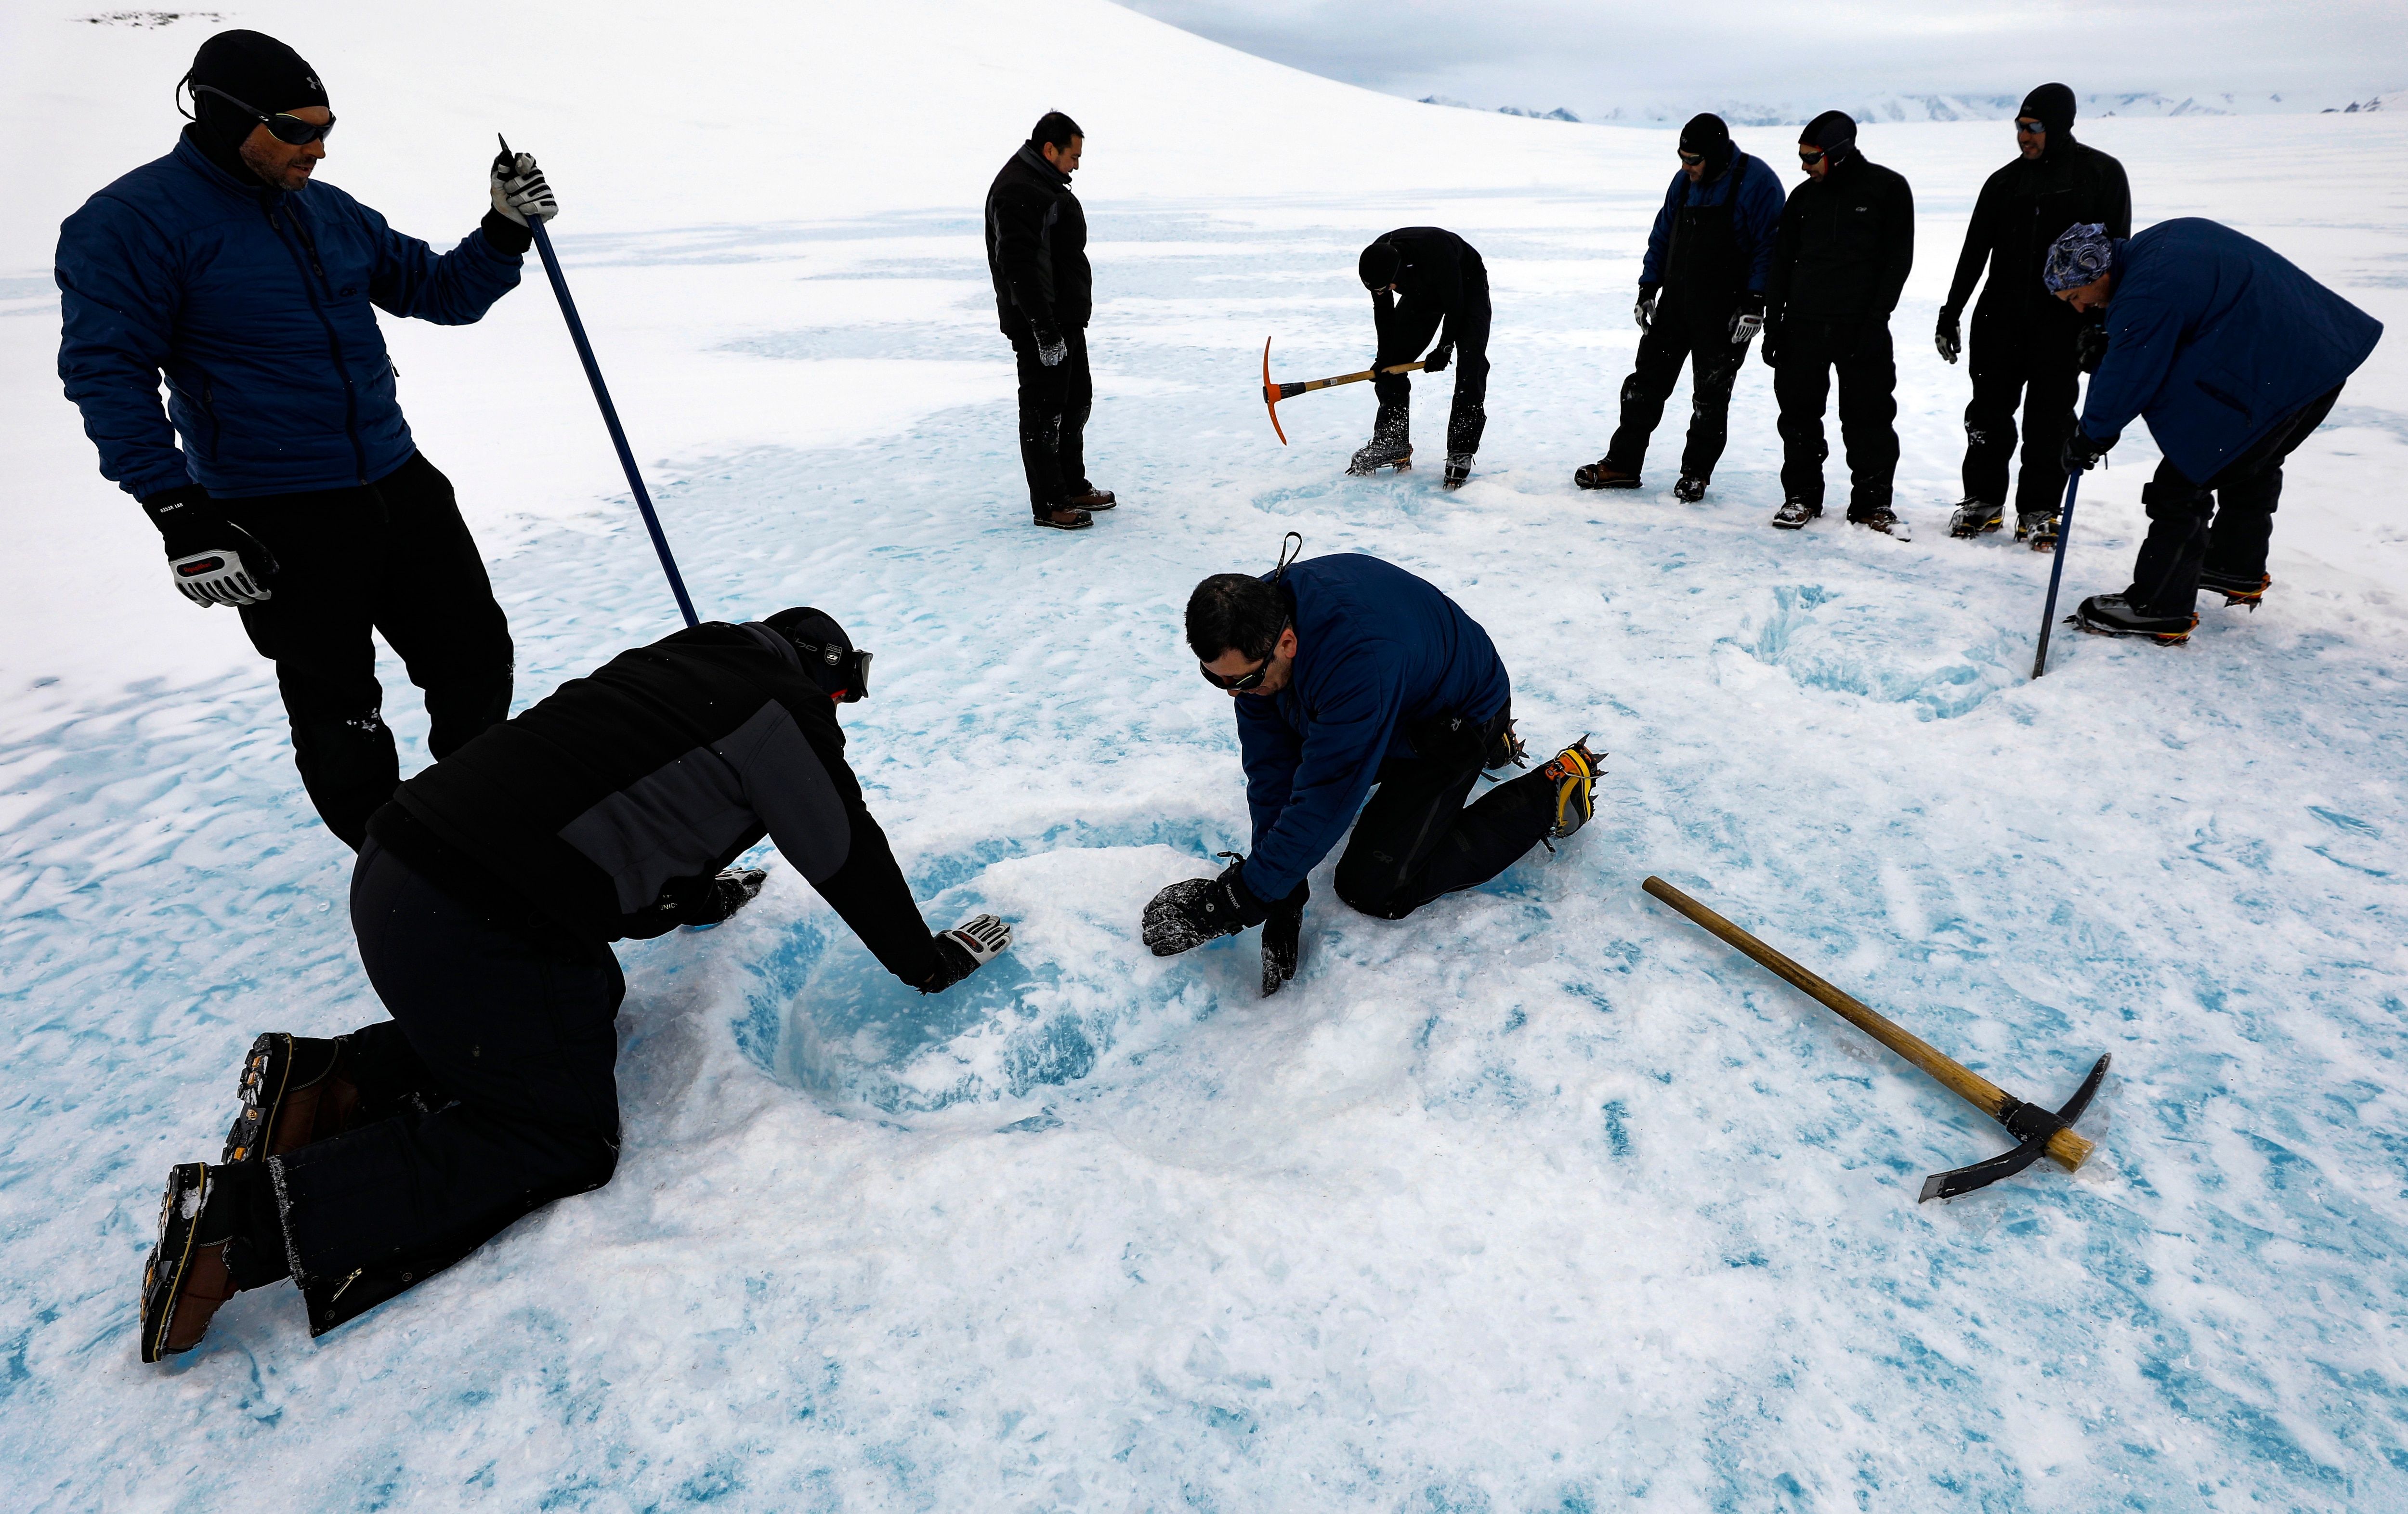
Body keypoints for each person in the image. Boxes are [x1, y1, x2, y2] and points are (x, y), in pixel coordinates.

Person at [137, 610, 1015, 1360]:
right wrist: (925, 960)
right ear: (826, 678)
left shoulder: (686, 660)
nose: (839, 722)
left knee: (585, 999)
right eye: (841, 703)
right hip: (471, 922)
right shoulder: (783, 711)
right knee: (563, 1135)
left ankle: (330, 1082)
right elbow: (842, 849)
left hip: (403, 872)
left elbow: (619, 789)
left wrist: (702, 890)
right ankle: (237, 1222)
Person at [56, 29, 552, 848]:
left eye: (326, 127)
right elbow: (107, 373)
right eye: (294, 129)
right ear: (221, 117)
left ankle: (481, 828)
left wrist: (503, 230)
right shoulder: (131, 223)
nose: (316, 148)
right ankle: (399, 864)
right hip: (277, 508)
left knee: (475, 661)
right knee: (339, 704)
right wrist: (178, 511)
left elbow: (439, 291)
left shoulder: (327, 210)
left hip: (397, 480)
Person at [1141, 541, 1601, 994]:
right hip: (1401, 701)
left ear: (1287, 642)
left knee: (1374, 888)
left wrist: (1236, 901)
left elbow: (1327, 796)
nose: (1231, 694)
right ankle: (1480, 744)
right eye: (1214, 678)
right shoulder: (1257, 624)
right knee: (1299, 737)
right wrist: (1280, 889)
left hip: (1452, 723)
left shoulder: (1358, 663)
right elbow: (1271, 767)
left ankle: (1547, 792)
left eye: (1240, 681)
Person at [2050, 222, 2382, 641]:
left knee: (2182, 483)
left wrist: (2090, 437)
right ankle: (2233, 564)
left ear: (2098, 272)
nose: (2080, 309)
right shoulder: (2162, 242)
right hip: (2317, 358)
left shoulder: (2145, 291)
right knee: (2249, 457)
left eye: (2077, 298)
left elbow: (2132, 373)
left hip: (2280, 371)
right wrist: (2111, 341)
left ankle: (2158, 607)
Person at [1936, 84, 2131, 546]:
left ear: (2059, 125)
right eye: (2019, 128)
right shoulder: (2004, 182)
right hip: (1998, 318)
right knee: (1987, 415)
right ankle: (1983, 502)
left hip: (2062, 322)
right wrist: (1952, 311)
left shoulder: (2100, 174)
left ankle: (2040, 508)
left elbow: (2117, 255)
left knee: (2050, 418)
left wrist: (2102, 324)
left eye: (2033, 128)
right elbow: (1973, 252)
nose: (2024, 137)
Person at [1575, 114, 1785, 502]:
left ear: (1717, 156)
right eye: (1681, 158)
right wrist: (1647, 287)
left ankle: (1695, 475)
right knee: (1643, 387)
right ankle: (1622, 464)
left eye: (1693, 161)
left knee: (1710, 396)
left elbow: (1769, 248)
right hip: (1675, 305)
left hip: (1725, 314)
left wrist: (1756, 302)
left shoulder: (1758, 183)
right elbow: (1662, 234)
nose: (1685, 168)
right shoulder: (1683, 183)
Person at [1761, 112, 1915, 536]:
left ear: (1838, 153)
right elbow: (1781, 263)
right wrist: (1774, 323)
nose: (1805, 166)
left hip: (1860, 327)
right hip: (1803, 325)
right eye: (1802, 157)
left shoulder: (1887, 189)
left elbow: (1897, 262)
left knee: (1869, 419)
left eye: (1811, 157)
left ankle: (1871, 504)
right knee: (1798, 418)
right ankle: (1802, 496)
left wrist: (1875, 321)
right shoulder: (1802, 199)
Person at [985, 111, 1114, 530]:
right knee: (1045, 414)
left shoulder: (1043, 184)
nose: (1077, 164)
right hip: (1041, 325)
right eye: (1073, 155)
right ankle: (1050, 503)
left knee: (1076, 403)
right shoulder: (1018, 190)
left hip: (1066, 320)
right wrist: (1043, 329)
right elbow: (1018, 266)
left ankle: (1073, 484)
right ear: (1050, 150)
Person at [1350, 228, 1492, 489]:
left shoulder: (1435, 252)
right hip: (1422, 290)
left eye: (1387, 287)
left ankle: (1461, 449)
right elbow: (1384, 314)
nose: (1385, 292)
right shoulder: (1378, 265)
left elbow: (1456, 305)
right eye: (1378, 290)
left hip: (1465, 281)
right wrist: (1386, 358)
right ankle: (1392, 442)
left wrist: (1445, 346)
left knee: (1471, 363)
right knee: (1390, 364)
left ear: (1396, 272)